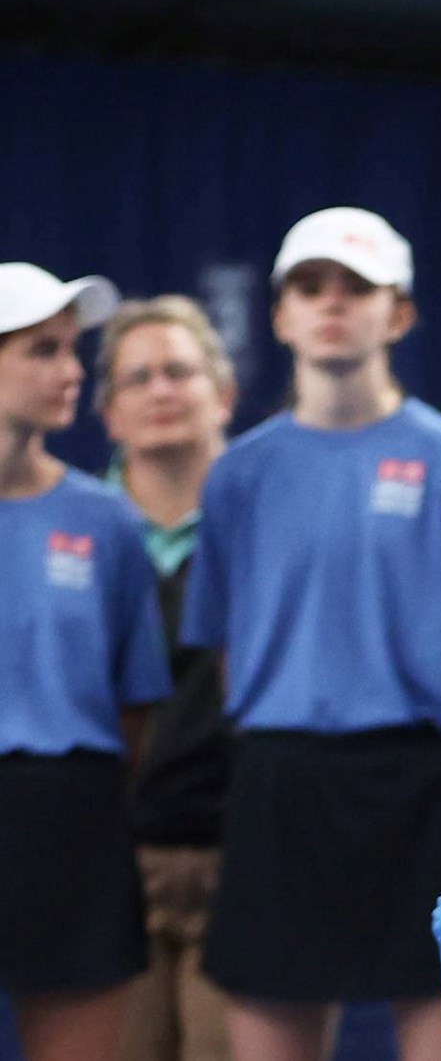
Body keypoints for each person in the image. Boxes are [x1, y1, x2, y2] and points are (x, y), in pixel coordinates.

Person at [185, 207, 441, 1061]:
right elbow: (226, 653)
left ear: (398, 313)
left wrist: (417, 750)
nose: (332, 303)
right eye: (310, 286)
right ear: (280, 314)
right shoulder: (239, 474)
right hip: (279, 780)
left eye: (356, 287)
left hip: (420, 781)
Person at [1, 262, 166, 1061]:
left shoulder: (107, 520)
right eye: (42, 350)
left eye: (71, 350)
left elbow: (136, 706)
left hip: (73, 817)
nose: (71, 371)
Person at [99, 295, 242, 1061]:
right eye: (139, 377)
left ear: (222, 394)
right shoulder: (74, 526)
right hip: (104, 866)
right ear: (109, 413)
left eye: (180, 371)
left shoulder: (267, 521)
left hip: (241, 859)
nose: (161, 390)